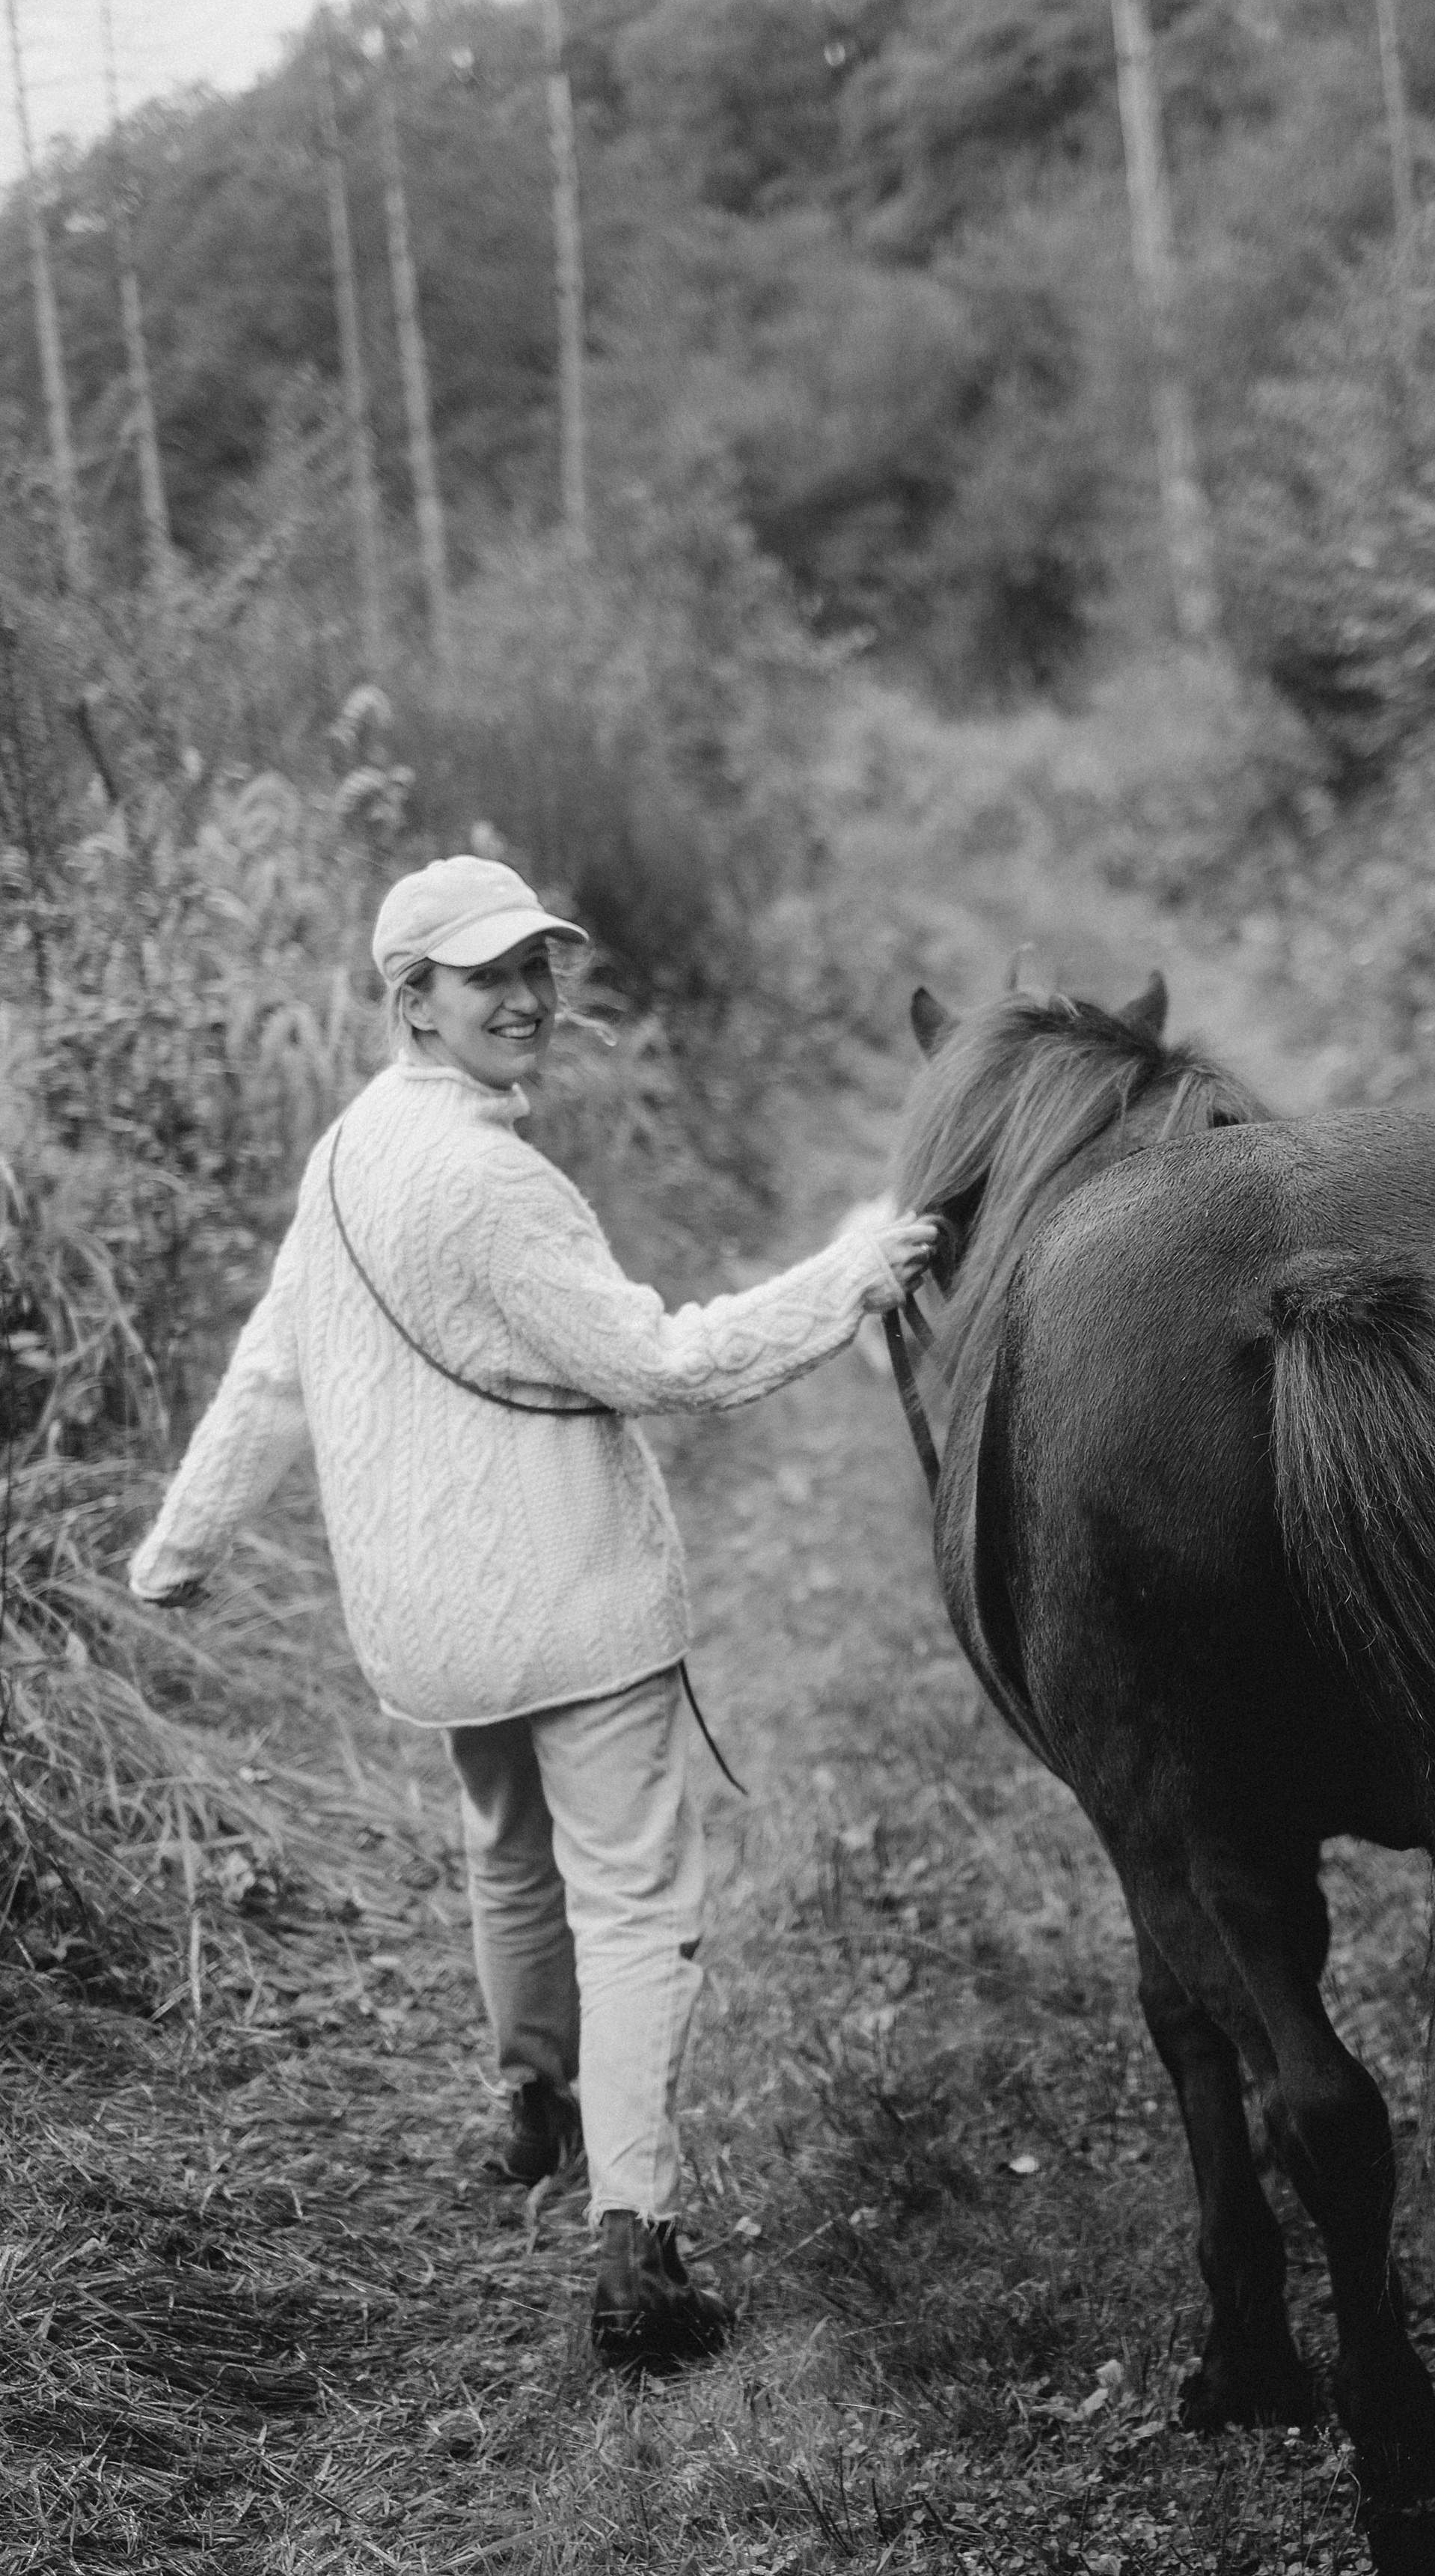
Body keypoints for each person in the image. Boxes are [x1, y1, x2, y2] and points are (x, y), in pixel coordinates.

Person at [129, 854, 937, 2375]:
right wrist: (849, 1280)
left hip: (429, 1620)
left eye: (535, 968)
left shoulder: (348, 1152)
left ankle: (534, 2109)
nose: (525, 998)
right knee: (631, 1904)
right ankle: (636, 2250)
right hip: (564, 1599)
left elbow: (272, 1371)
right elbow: (663, 1364)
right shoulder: (493, 1181)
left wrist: (179, 1545)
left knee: (506, 1851)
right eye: (486, 976)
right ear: (410, 1000)